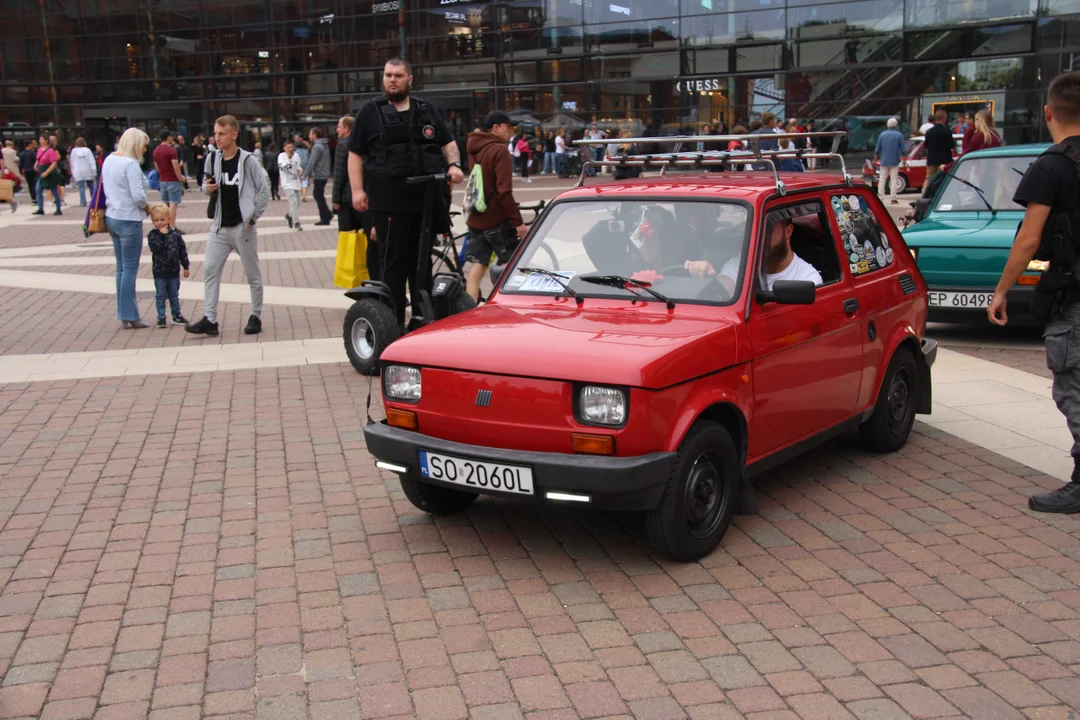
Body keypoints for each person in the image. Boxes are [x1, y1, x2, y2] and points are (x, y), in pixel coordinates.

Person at [989, 71, 1080, 513]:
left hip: (1074, 299)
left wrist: (1001, 291)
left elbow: (1029, 239)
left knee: (1074, 392)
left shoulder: (1052, 166)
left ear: (1048, 112)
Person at [348, 57, 464, 328]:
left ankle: (422, 325)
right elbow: (355, 155)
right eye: (388, 75)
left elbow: (447, 142)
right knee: (393, 269)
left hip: (425, 203)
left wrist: (455, 165)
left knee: (421, 267)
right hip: (388, 204)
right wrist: (357, 191)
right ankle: (393, 325)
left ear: (409, 79)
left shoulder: (426, 110)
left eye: (398, 75)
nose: (392, 80)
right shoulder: (369, 112)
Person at [187, 115, 270, 337]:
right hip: (219, 227)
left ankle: (255, 316)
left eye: (222, 134)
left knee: (252, 274)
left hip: (243, 227)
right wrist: (208, 188)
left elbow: (264, 191)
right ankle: (210, 319)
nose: (217, 138)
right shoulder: (212, 159)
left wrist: (253, 218)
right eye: (215, 133)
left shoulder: (248, 160)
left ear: (234, 134)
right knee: (209, 270)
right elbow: (205, 187)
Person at [463, 111, 527, 302]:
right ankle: (515, 306)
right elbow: (504, 192)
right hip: (497, 220)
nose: (511, 132)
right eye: (508, 127)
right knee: (518, 264)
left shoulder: (475, 147)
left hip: (476, 217)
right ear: (496, 128)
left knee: (477, 268)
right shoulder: (499, 150)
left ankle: (469, 311)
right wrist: (518, 222)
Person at [102, 127, 152, 328]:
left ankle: (124, 313)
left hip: (112, 216)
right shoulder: (130, 164)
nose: (145, 149)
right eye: (143, 145)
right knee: (130, 268)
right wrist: (149, 208)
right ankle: (130, 314)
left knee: (121, 268)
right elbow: (138, 195)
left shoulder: (109, 159)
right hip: (129, 218)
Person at [332, 115, 375, 278]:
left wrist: (335, 200)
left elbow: (339, 174)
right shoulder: (365, 144)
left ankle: (351, 273)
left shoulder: (343, 145)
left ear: (347, 129)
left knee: (347, 237)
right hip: (367, 197)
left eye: (339, 126)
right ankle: (370, 271)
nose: (337, 129)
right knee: (370, 237)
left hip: (347, 199)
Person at [146, 203, 190, 328]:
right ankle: (161, 317)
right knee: (160, 296)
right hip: (159, 271)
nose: (160, 223)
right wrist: (161, 235)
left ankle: (176, 315)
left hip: (173, 271)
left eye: (162, 220)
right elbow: (155, 248)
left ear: (169, 219)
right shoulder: (153, 235)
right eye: (156, 220)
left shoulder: (175, 235)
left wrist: (185, 266)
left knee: (174, 295)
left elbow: (182, 251)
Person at [152, 130, 184, 230]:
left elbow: (157, 166)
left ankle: (164, 225)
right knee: (173, 203)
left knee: (164, 205)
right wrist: (180, 178)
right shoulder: (171, 151)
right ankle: (172, 226)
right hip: (172, 180)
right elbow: (175, 166)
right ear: (169, 137)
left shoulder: (156, 151)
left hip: (162, 180)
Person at [304, 127, 333, 225]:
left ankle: (325, 217)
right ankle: (327, 214)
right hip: (324, 174)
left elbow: (312, 161)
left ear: (315, 135)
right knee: (319, 195)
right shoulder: (324, 145)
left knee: (318, 195)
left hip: (319, 175)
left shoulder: (317, 147)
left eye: (310, 134)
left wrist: (305, 174)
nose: (309, 136)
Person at [874, 118, 905, 204]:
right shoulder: (899, 135)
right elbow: (903, 150)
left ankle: (881, 197)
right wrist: (904, 160)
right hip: (895, 160)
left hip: (884, 160)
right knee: (894, 179)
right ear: (896, 125)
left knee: (882, 179)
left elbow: (877, 149)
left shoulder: (882, 135)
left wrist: (875, 159)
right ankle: (893, 198)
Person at [923, 110, 954, 192]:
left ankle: (924, 196)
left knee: (929, 178)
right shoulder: (947, 131)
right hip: (944, 160)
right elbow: (952, 145)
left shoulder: (929, 132)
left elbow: (926, 146)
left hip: (932, 159)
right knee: (943, 179)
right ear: (943, 118)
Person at [32, 135, 62, 215]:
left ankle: (58, 208)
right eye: (40, 139)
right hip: (41, 172)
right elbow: (38, 159)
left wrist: (47, 172)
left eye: (42, 139)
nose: (40, 141)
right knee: (38, 189)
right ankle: (40, 208)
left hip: (49, 173)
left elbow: (54, 163)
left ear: (46, 141)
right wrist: (36, 165)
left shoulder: (50, 150)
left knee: (54, 190)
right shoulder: (39, 149)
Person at [278, 141, 303, 231]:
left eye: (291, 147)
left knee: (298, 202)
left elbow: (298, 166)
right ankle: (296, 222)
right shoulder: (281, 156)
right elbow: (282, 168)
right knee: (293, 202)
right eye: (288, 147)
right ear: (284, 148)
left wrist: (300, 170)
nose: (290, 149)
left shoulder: (296, 156)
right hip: (287, 183)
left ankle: (289, 215)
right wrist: (289, 158)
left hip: (296, 182)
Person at [69, 138, 97, 207]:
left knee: (81, 187)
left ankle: (82, 202)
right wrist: (94, 171)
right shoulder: (87, 150)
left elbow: (72, 161)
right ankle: (94, 200)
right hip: (87, 170)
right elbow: (91, 161)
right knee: (91, 186)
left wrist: (73, 171)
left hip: (78, 171)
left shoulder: (74, 151)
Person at [19, 139, 38, 204]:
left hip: (26, 170)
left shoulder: (22, 154)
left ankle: (33, 198)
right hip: (33, 170)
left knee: (30, 185)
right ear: (29, 145)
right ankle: (36, 197)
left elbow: (21, 164)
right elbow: (37, 161)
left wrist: (21, 172)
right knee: (34, 184)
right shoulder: (33, 153)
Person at [294, 134, 310, 201]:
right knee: (305, 181)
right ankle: (304, 195)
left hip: (298, 168)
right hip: (306, 167)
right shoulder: (306, 151)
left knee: (299, 182)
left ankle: (302, 194)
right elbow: (309, 158)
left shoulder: (295, 153)